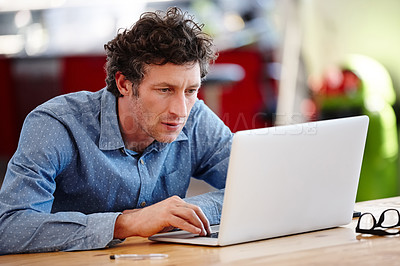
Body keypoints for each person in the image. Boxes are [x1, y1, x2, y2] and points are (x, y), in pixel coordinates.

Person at [0, 7, 233, 254]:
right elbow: (9, 228)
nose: (180, 110)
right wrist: (125, 224)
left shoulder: (196, 117)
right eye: (164, 90)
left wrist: (183, 213)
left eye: (190, 91)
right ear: (124, 84)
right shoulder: (57, 125)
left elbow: (260, 188)